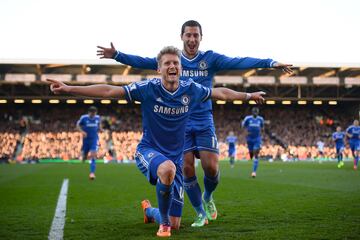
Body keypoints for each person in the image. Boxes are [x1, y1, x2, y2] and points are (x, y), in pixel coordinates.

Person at [48, 46, 266, 237]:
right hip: (149, 151)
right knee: (167, 169)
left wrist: (248, 96)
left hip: (175, 161)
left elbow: (221, 93)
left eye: (176, 63)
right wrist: (69, 89)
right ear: (158, 69)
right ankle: (163, 225)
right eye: (167, 63)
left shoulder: (191, 89)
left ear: (181, 68)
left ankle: (150, 212)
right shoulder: (147, 89)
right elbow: (109, 90)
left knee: (176, 221)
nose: (172, 66)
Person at [97, 20, 292, 226]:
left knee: (211, 168)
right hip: (180, 122)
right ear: (181, 37)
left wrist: (270, 63)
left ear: (200, 38)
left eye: (195, 35)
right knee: (188, 169)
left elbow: (239, 61)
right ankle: (200, 212)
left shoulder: (210, 59)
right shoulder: (173, 60)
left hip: (203, 119)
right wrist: (117, 55)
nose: (192, 39)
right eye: (188, 35)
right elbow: (143, 61)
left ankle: (207, 196)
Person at [76, 106, 101, 180]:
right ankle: (84, 157)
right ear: (89, 112)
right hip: (86, 140)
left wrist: (101, 129)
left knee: (93, 155)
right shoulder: (83, 118)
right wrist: (82, 132)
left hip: (94, 139)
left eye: (94, 113)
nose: (93, 115)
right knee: (85, 155)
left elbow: (99, 126)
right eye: (92, 113)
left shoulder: (98, 118)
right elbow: (77, 125)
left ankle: (92, 173)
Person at [242, 107, 264, 178]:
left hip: (257, 139)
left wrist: (261, 136)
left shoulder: (260, 119)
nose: (255, 113)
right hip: (249, 139)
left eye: (256, 112)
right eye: (254, 112)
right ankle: (252, 155)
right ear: (252, 112)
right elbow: (243, 126)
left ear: (258, 112)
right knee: (251, 153)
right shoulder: (247, 118)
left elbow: (262, 128)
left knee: (256, 153)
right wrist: (246, 133)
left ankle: (254, 172)